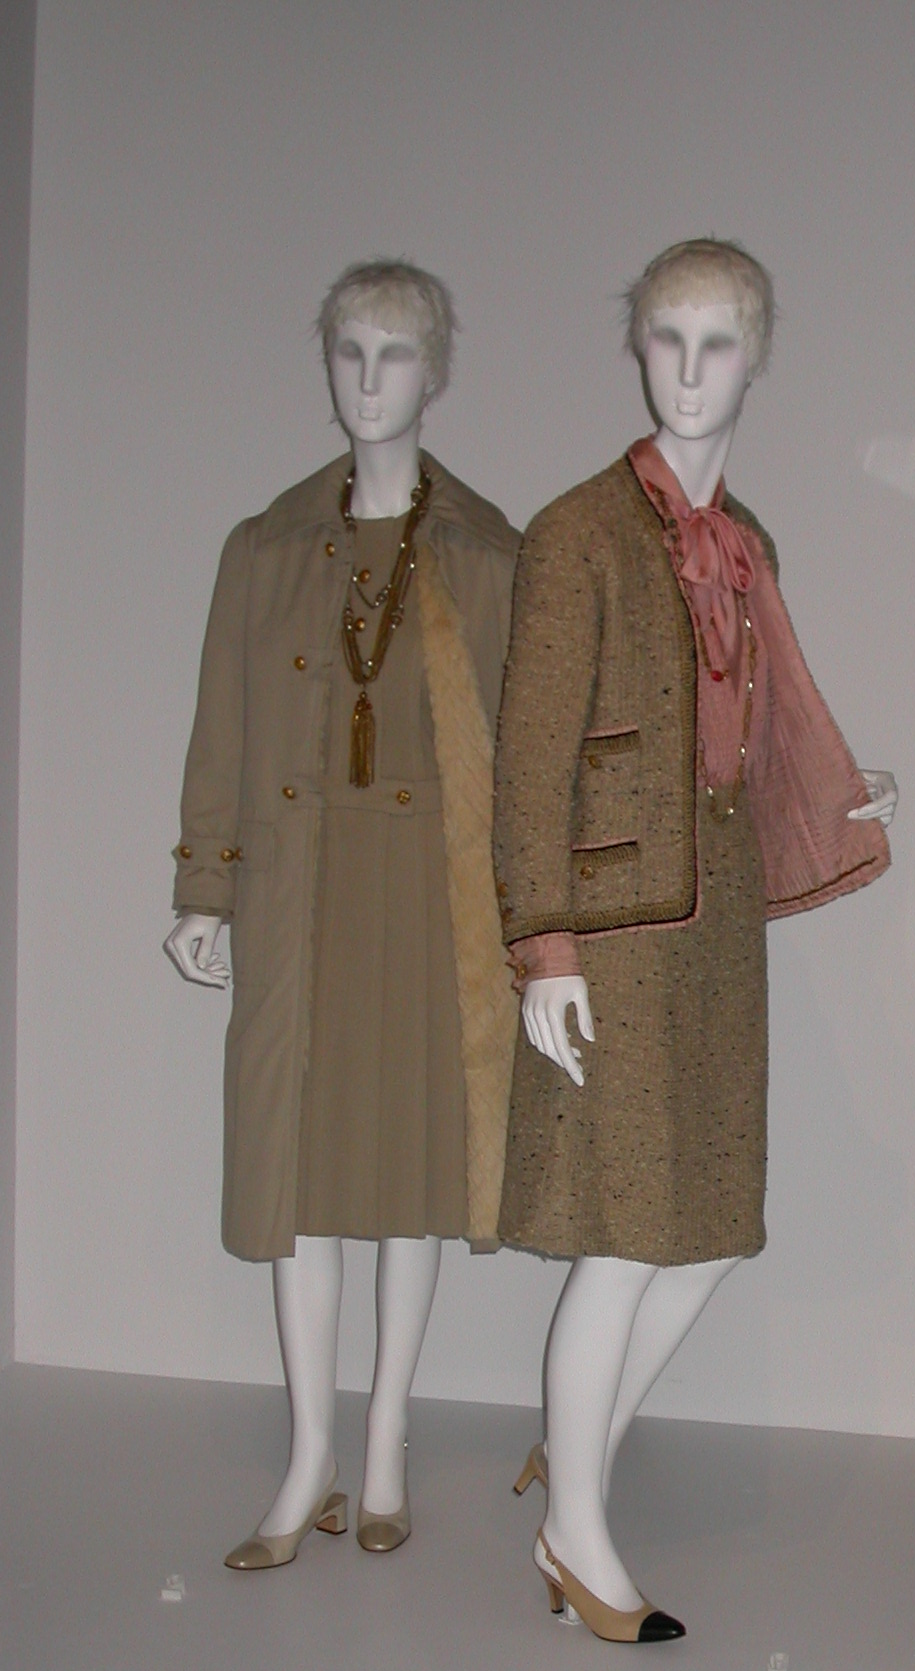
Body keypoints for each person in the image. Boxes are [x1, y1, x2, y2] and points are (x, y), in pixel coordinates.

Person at [494, 238, 897, 1642]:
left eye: (716, 342)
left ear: (755, 357)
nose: (687, 368)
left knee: (711, 1225)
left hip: (718, 926)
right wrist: (544, 947)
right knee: (623, 1234)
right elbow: (529, 759)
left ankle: (577, 1460)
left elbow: (739, 729)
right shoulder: (577, 533)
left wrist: (834, 786)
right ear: (638, 347)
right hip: (614, 934)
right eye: (665, 337)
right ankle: (577, 1534)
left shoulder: (748, 542)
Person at [167, 259, 520, 1570]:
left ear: (437, 372)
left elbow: (528, 752)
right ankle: (309, 1448)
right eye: (350, 354)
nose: (370, 382)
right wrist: (206, 885)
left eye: (396, 355)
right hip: (299, 887)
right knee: (300, 1174)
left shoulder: (491, 554)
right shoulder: (261, 550)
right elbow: (219, 728)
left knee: (411, 1175)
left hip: (431, 898)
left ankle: (384, 1442)